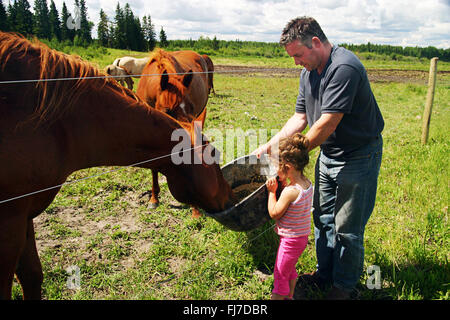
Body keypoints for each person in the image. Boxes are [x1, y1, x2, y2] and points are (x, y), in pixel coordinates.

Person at [254, 16, 384, 299]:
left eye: (298, 55)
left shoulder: (344, 68)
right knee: (322, 218)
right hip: (329, 154)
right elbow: (300, 117)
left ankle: (343, 287)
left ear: (315, 42)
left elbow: (327, 122)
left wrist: (292, 155)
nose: (296, 62)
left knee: (347, 228)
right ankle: (325, 274)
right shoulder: (307, 73)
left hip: (357, 156)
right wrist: (269, 146)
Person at [266, 133, 313, 300]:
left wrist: (272, 193)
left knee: (279, 276)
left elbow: (274, 213)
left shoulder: (289, 192)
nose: (274, 171)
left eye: (276, 166)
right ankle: (291, 296)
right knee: (290, 269)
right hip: (301, 237)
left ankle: (280, 296)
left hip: (290, 241)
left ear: (288, 166)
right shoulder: (306, 183)